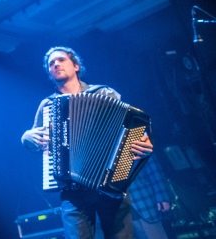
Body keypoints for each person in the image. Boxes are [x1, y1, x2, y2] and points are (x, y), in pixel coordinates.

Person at [21, 46, 154, 239]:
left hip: (111, 186)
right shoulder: (48, 106)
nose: (56, 64)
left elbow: (129, 127)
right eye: (51, 63)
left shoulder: (105, 93)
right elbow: (36, 141)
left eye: (61, 60)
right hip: (72, 191)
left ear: (76, 65)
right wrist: (26, 138)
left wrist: (143, 144)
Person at [128, 156, 170, 239]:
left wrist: (162, 197)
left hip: (142, 199)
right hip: (117, 207)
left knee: (154, 234)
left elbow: (154, 171)